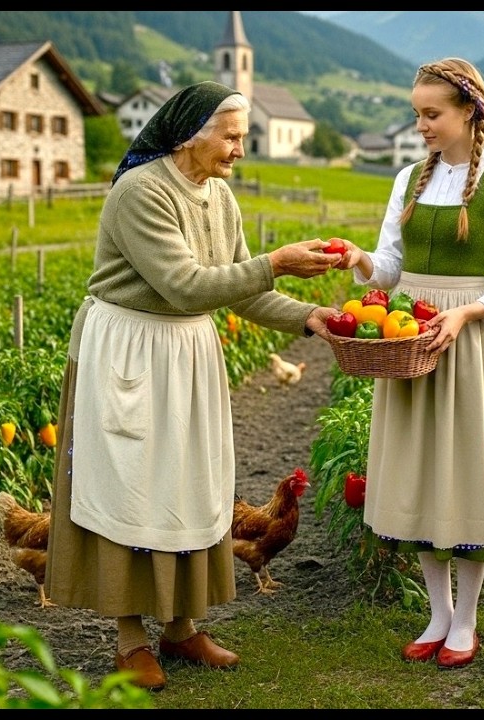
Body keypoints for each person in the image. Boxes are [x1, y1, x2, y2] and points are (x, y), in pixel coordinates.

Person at [42, 81, 343, 691]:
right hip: (130, 349)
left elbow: (242, 287)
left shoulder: (219, 196)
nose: (239, 149)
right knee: (130, 488)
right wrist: (276, 261)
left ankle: (180, 629)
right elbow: (184, 284)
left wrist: (309, 317)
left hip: (187, 350)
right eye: (230, 136)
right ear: (188, 134)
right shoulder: (140, 192)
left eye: (242, 137)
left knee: (187, 484)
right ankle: (130, 641)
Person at [331, 57, 484, 670]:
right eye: (416, 112)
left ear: (469, 112)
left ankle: (468, 620)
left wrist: (468, 314)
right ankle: (438, 614)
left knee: (465, 478)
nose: (420, 124)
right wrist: (358, 260)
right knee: (421, 475)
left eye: (431, 113)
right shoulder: (408, 180)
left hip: (465, 342)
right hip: (412, 339)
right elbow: (392, 269)